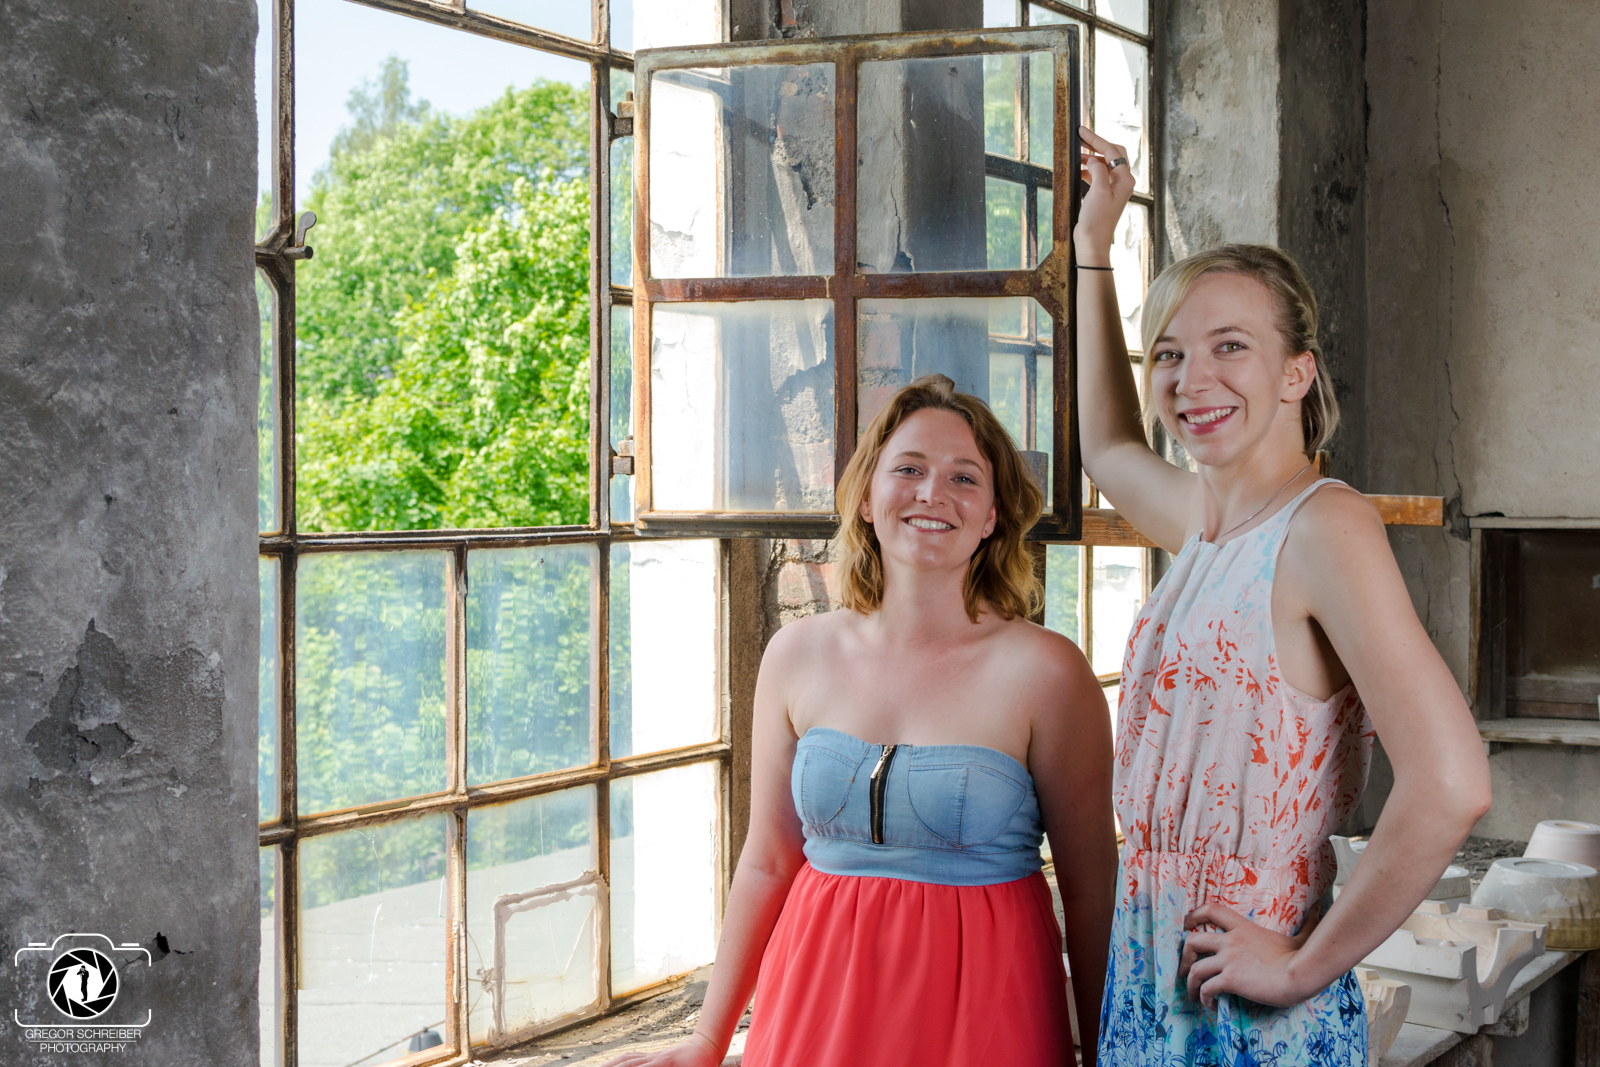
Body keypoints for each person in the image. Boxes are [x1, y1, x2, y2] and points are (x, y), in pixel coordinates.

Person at [1072, 126, 1493, 1065]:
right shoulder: (1205, 522)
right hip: (1149, 976)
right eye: (1168, 355)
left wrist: (1304, 964)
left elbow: (1453, 781)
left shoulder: (1323, 528)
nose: (1192, 380)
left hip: (1251, 1003)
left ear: (1297, 372)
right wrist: (1094, 247)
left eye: (1230, 346)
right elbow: (1107, 446)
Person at [603, 374, 1117, 1067]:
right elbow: (768, 860)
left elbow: (1090, 892)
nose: (932, 492)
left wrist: (1108, 1056)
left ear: (993, 515)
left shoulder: (1049, 672)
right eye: (909, 469)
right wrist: (707, 1038)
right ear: (868, 499)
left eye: (964, 477)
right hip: (813, 1009)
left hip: (985, 1016)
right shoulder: (796, 654)